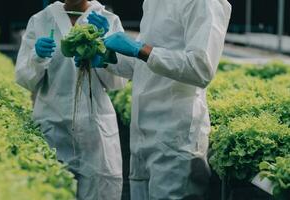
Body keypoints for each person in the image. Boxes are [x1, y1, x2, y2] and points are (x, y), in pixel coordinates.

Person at [88, 0, 232, 199]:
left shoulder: (203, 2)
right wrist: (107, 57)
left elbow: (201, 68)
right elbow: (143, 64)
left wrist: (141, 49)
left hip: (175, 138)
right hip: (142, 136)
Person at [15, 1, 127, 199]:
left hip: (95, 130)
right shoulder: (41, 20)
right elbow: (25, 80)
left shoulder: (108, 20)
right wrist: (37, 57)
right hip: (52, 127)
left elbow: (118, 82)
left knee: (100, 189)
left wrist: (104, 45)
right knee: (54, 191)